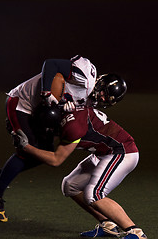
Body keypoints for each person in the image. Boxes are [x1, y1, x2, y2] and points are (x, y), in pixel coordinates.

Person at [12, 92, 147, 239]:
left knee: (94, 194)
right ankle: (108, 225)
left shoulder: (72, 126)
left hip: (122, 152)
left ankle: (135, 232)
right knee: (70, 185)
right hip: (103, 153)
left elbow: (56, 160)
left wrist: (26, 147)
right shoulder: (66, 112)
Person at [0, 55, 98, 222]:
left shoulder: (88, 101)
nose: (100, 98)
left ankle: (1, 175)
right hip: (20, 104)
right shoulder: (84, 75)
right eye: (101, 93)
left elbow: (63, 111)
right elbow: (51, 64)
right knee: (26, 148)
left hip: (40, 112)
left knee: (45, 153)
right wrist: (45, 92)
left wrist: (64, 107)